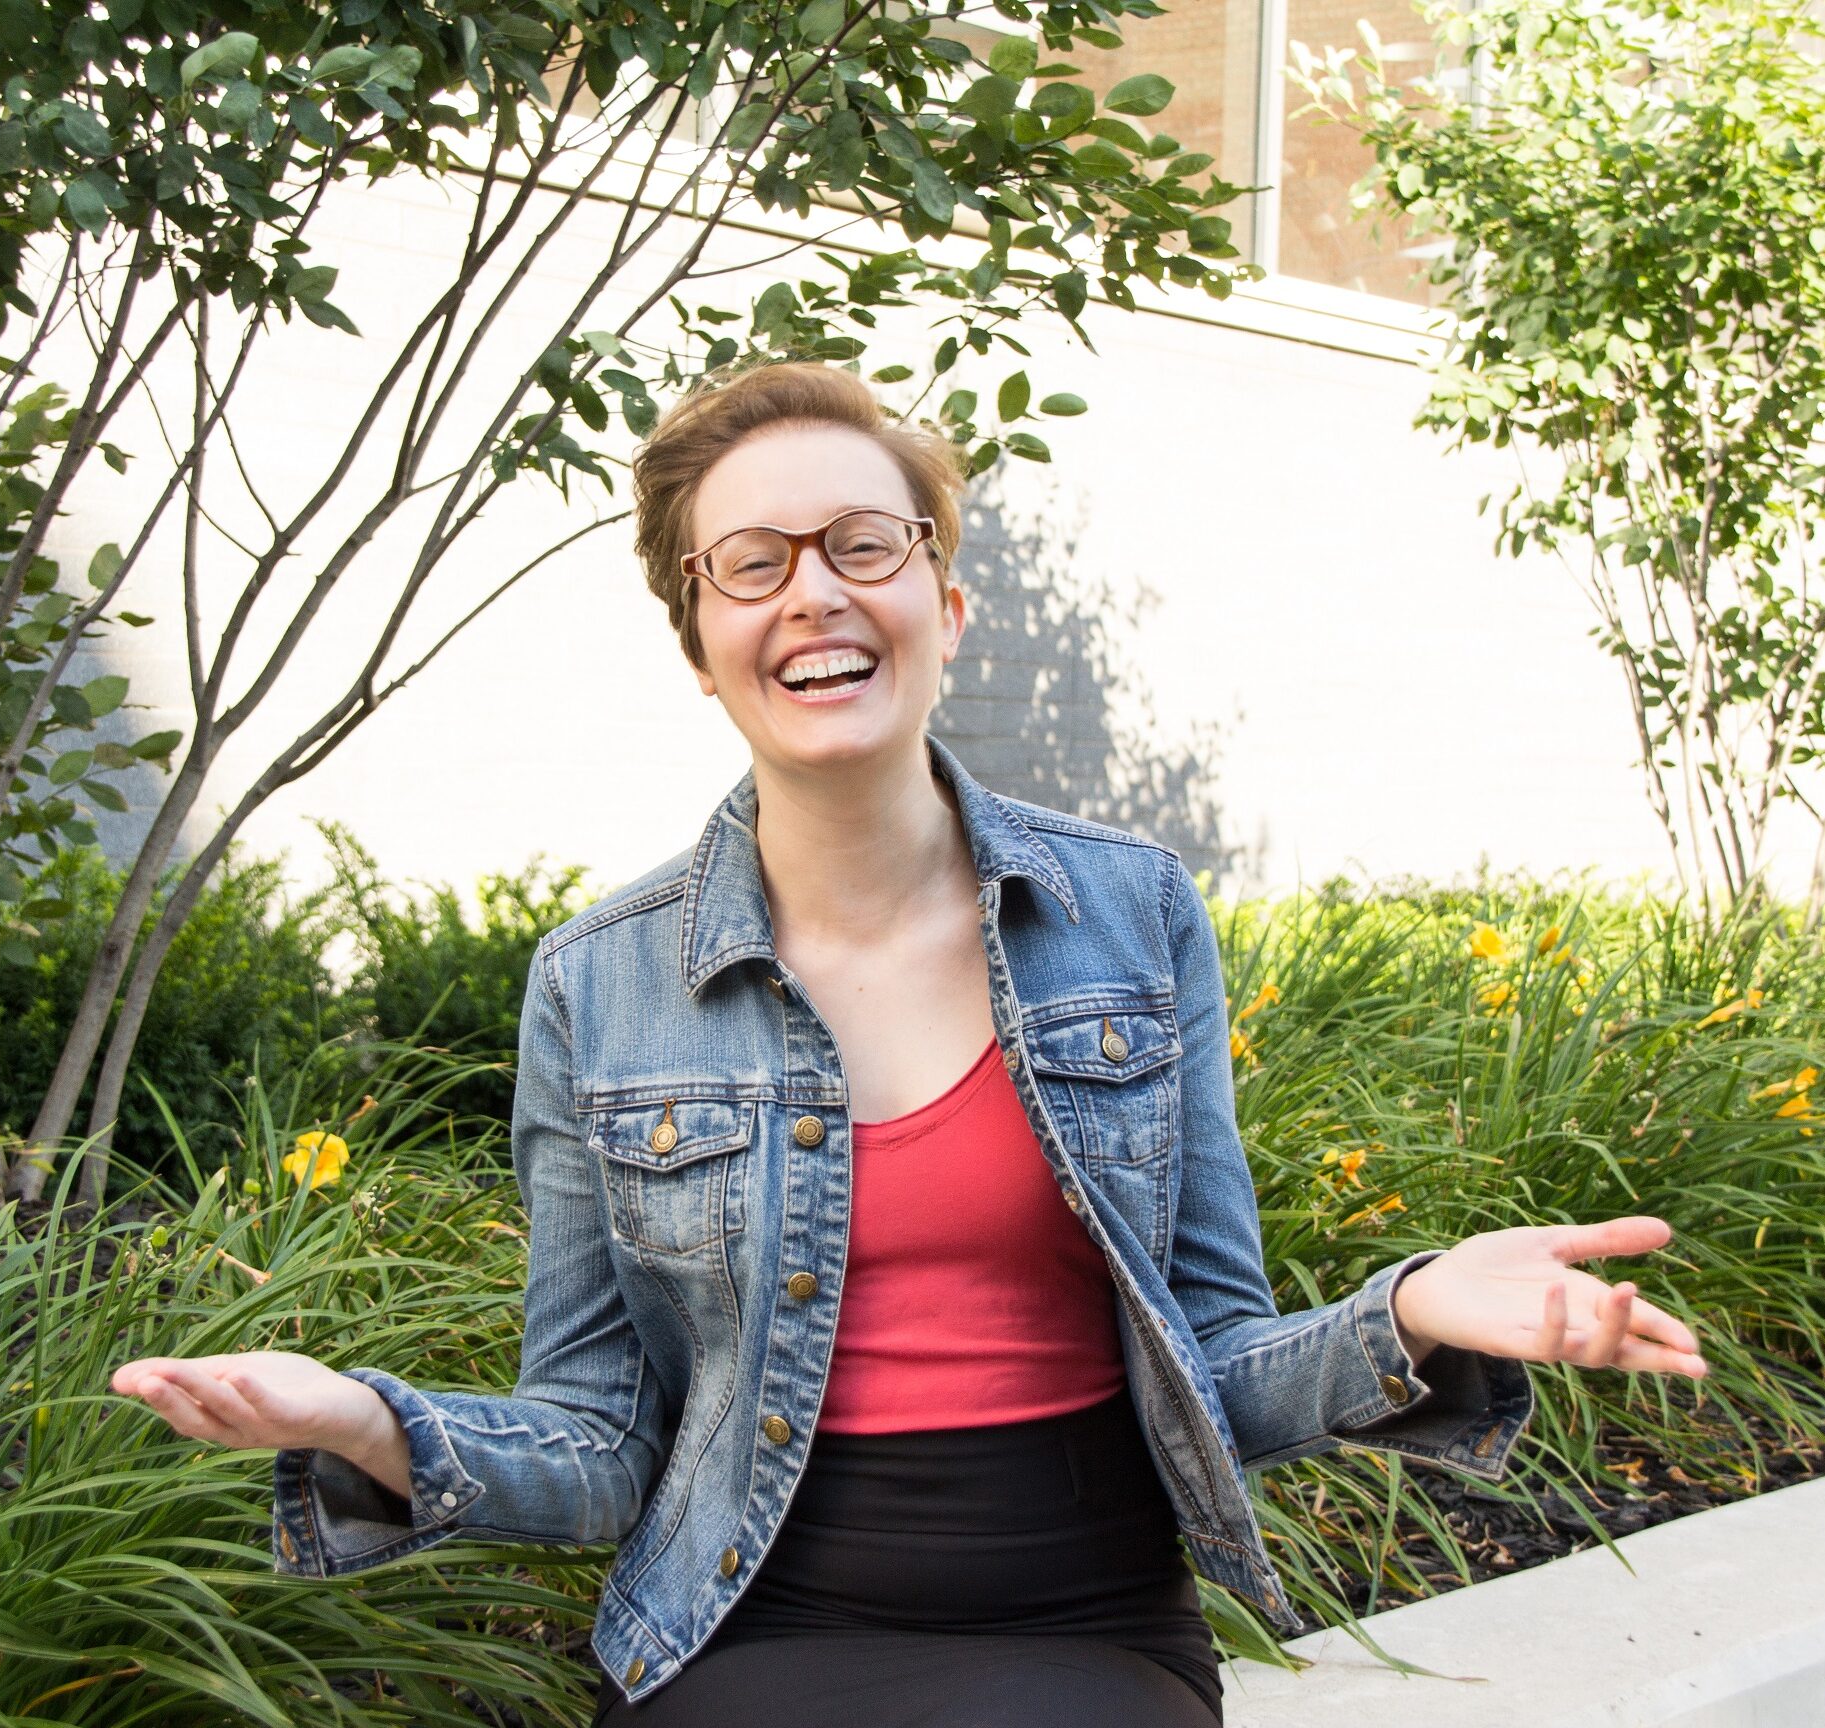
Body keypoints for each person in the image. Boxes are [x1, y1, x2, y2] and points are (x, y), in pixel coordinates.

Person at [112, 360, 1710, 1725]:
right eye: (749, 563)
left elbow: (1214, 1371)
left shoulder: (1127, 914)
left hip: (1077, 1623)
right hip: (735, 1626)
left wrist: (1411, 1312)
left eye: (860, 544)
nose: (811, 590)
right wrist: (363, 1424)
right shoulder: (598, 982)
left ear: (943, 602)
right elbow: (601, 1444)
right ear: (700, 643)